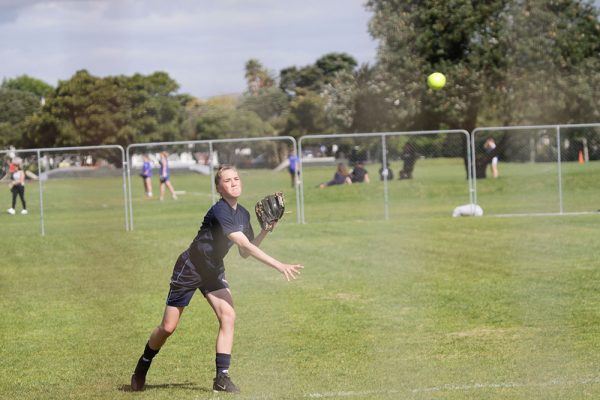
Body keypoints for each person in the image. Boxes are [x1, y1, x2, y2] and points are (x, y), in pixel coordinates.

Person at [130, 165, 303, 393]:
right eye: (228, 180)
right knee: (168, 327)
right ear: (219, 188)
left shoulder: (242, 214)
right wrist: (279, 265)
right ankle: (143, 365)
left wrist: (266, 230)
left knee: (228, 316)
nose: (234, 183)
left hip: (213, 271)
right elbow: (243, 244)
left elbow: (245, 252)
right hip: (190, 268)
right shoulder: (220, 211)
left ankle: (222, 378)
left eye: (236, 178)